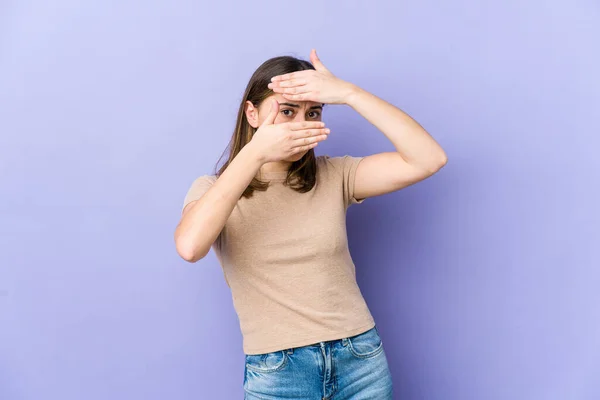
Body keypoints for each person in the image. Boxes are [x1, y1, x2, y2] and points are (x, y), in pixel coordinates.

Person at [174, 49, 447, 399]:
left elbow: (429, 159)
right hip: (279, 371)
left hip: (360, 359)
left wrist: (349, 93)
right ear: (252, 113)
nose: (302, 124)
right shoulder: (213, 190)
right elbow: (189, 247)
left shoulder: (335, 176)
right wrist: (256, 153)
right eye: (287, 111)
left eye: (313, 112)